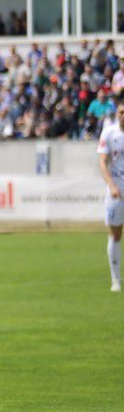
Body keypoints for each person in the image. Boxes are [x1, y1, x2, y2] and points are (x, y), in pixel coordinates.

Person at [97, 100, 124, 292]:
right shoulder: (109, 132)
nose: (123, 115)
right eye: (121, 112)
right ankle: (115, 279)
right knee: (116, 234)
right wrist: (112, 185)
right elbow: (102, 162)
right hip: (117, 190)